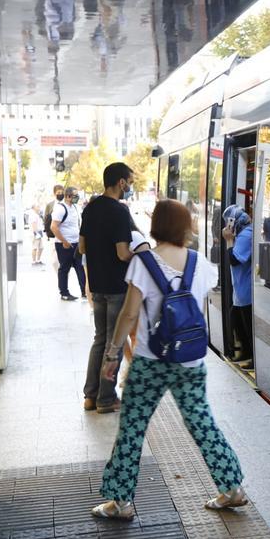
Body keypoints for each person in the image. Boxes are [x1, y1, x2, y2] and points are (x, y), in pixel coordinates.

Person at [91, 199, 248, 519]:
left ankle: (120, 502)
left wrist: (113, 354)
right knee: (202, 422)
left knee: (133, 427)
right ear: (186, 227)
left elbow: (130, 314)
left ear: (156, 226)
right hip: (190, 360)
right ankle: (232, 488)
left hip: (151, 361)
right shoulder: (200, 263)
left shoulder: (143, 262)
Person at [79, 163, 147, 414]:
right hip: (117, 286)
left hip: (97, 284)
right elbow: (122, 253)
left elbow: (82, 248)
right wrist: (139, 256)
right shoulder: (119, 212)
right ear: (120, 182)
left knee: (99, 339)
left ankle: (90, 395)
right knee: (113, 342)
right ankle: (106, 398)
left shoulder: (90, 208)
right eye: (129, 181)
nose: (129, 186)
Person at [221, 204, 253, 365]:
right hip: (240, 289)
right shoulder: (243, 233)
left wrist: (228, 240)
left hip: (246, 290)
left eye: (229, 222)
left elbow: (234, 260)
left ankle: (253, 358)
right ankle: (246, 352)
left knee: (247, 325)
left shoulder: (246, 234)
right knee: (236, 321)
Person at [52, 186, 86, 301]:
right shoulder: (60, 208)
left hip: (76, 243)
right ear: (67, 196)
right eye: (75, 196)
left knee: (80, 267)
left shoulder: (75, 207)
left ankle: (84, 291)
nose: (77, 198)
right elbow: (54, 227)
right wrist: (64, 242)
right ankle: (64, 293)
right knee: (64, 268)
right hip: (64, 244)